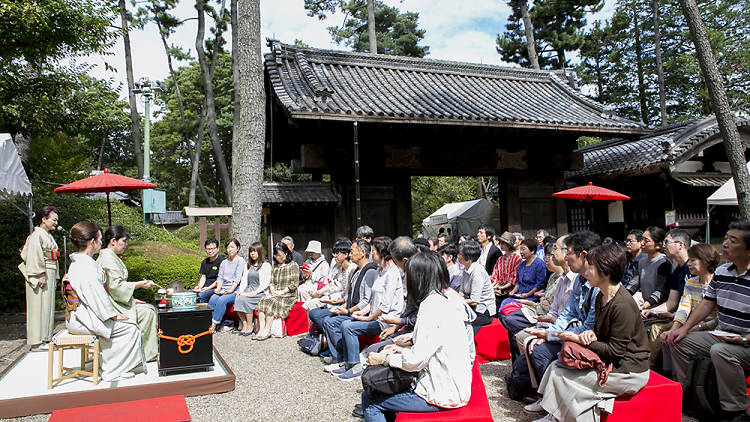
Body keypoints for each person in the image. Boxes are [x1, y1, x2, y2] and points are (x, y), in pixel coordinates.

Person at [533, 244, 650, 422]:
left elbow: (616, 351)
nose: (586, 271)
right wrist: (590, 335)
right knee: (556, 367)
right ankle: (558, 416)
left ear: (606, 272)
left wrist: (580, 339)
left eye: (592, 267)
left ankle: (560, 417)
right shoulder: (601, 296)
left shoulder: (622, 305)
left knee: (566, 379)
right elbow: (597, 331)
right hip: (613, 360)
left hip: (629, 370)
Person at [361, 252, 475, 421]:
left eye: (406, 274)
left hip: (441, 393)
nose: (404, 278)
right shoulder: (446, 297)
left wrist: (385, 359)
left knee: (370, 400)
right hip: (457, 384)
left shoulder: (430, 305)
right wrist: (406, 344)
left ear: (417, 277)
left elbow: (415, 361)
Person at [666, 221, 750, 422]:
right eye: (726, 238)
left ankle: (737, 410)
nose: (726, 244)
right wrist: (684, 329)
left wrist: (746, 339)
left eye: (733, 240)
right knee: (679, 342)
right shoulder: (722, 273)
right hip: (725, 334)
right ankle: (691, 395)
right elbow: (707, 304)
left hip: (745, 341)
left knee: (720, 351)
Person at [511, 231, 600, 404]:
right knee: (534, 343)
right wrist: (551, 332)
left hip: (588, 339)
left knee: (540, 350)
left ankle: (554, 401)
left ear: (583, 254)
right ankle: (546, 397)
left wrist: (551, 335)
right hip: (570, 331)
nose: (566, 257)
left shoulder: (595, 284)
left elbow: (588, 325)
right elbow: (568, 313)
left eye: (568, 252)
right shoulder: (580, 280)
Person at [65, 221, 146, 381]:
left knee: (126, 323)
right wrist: (112, 315)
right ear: (92, 242)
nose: (102, 242)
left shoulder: (80, 262)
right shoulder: (86, 266)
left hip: (81, 314)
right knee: (130, 327)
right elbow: (96, 297)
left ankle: (113, 364)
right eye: (100, 239)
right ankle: (113, 369)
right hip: (84, 318)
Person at [335, 237, 405, 381]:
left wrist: (368, 318)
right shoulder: (380, 270)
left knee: (348, 326)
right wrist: (363, 311)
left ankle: (355, 366)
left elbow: (385, 306)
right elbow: (373, 300)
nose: (371, 254)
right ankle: (349, 362)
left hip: (386, 320)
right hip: (376, 316)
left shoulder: (392, 273)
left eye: (374, 251)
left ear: (382, 252)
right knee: (345, 323)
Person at [500, 237, 572, 362]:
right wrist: (514, 292)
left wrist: (529, 297)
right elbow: (518, 282)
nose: (548, 258)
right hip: (538, 306)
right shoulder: (553, 276)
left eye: (555, 251)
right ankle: (520, 366)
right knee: (505, 307)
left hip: (537, 305)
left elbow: (541, 291)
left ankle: (521, 365)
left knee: (510, 320)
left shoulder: (569, 278)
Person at [97, 225, 158, 361]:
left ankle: (144, 350)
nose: (126, 244)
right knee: (148, 312)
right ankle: (145, 353)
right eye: (124, 241)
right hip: (113, 305)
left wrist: (132, 299)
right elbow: (116, 287)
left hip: (115, 300)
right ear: (113, 241)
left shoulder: (111, 256)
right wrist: (139, 284)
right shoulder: (108, 258)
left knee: (148, 308)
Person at [659, 243, 720, 373]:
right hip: (692, 326)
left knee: (679, 341)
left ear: (706, 261)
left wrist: (694, 328)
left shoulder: (718, 283)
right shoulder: (691, 282)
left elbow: (719, 319)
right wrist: (674, 329)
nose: (689, 264)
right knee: (668, 337)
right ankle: (673, 377)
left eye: (693, 260)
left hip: (711, 328)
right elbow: (684, 308)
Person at [318, 240, 378, 366]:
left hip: (364, 313)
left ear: (362, 252)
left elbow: (367, 300)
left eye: (352, 251)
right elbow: (350, 297)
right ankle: (339, 358)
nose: (350, 255)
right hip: (353, 310)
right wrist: (343, 308)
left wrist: (348, 311)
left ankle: (347, 360)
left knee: (334, 323)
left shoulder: (370, 271)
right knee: (327, 320)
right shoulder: (357, 271)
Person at [641, 229, 691, 366]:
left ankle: (649, 366)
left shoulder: (693, 268)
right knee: (642, 320)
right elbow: (671, 302)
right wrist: (652, 311)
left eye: (667, 242)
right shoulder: (677, 272)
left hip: (689, 318)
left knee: (657, 328)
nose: (664, 246)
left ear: (680, 244)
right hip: (677, 314)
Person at [18, 205, 60, 351]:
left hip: (49, 270)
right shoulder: (37, 235)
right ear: (43, 219)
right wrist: (40, 274)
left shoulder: (46, 235)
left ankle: (45, 337)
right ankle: (36, 341)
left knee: (47, 306)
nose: (56, 223)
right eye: (53, 220)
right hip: (41, 272)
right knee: (38, 306)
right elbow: (34, 254)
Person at [255, 242, 300, 340]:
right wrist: (272, 289)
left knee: (272, 303)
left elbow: (294, 284)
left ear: (286, 253)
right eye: (276, 255)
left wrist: (282, 292)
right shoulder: (275, 267)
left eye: (280, 255)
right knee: (263, 301)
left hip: (288, 295)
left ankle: (267, 330)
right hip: (276, 293)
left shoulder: (293, 265)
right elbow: (271, 281)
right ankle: (261, 330)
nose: (278, 258)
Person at [304, 238, 356, 311]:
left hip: (342, 301)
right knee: (308, 301)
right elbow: (334, 284)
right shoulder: (340, 268)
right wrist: (319, 293)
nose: (335, 256)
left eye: (337, 253)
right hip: (333, 295)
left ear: (346, 254)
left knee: (312, 306)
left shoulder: (352, 269)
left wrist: (330, 299)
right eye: (334, 254)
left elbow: (347, 294)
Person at [626, 226, 671, 309]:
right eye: (642, 239)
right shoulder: (642, 262)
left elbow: (660, 291)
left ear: (658, 245)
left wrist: (644, 306)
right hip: (647, 307)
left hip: (660, 308)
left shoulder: (663, 263)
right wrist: (623, 297)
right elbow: (634, 283)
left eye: (646, 241)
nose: (642, 243)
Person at [207, 238, 246, 332]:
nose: (230, 249)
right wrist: (218, 289)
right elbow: (220, 278)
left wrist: (231, 290)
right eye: (228, 247)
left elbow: (238, 278)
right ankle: (210, 323)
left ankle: (213, 325)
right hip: (223, 289)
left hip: (235, 290)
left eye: (232, 247)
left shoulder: (240, 261)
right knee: (212, 298)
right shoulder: (224, 262)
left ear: (238, 248)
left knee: (221, 300)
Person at [234, 242, 272, 336]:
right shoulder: (248, 265)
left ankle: (250, 326)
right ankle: (244, 324)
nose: (252, 254)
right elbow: (244, 280)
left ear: (259, 252)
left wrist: (256, 292)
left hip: (260, 291)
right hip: (249, 289)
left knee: (245, 300)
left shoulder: (265, 265)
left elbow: (266, 283)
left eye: (254, 251)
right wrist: (240, 291)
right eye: (251, 252)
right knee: (238, 299)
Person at [458, 240, 495, 334]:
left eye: (460, 254)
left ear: (468, 258)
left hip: (482, 312)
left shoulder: (477, 271)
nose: (458, 256)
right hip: (470, 308)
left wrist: (457, 301)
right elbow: (462, 291)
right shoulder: (466, 269)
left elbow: (474, 301)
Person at [501, 238, 547, 309]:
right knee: (505, 302)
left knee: (508, 305)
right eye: (520, 249)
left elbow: (539, 284)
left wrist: (527, 295)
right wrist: (513, 291)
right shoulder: (521, 264)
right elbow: (518, 282)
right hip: (520, 294)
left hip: (532, 296)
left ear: (532, 251)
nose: (521, 252)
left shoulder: (539, 264)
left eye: (523, 249)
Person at [491, 232, 522, 297]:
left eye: (503, 243)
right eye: (500, 243)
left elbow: (515, 278)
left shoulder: (517, 259)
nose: (500, 245)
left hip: (511, 290)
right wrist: (493, 285)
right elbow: (495, 274)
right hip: (499, 289)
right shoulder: (500, 259)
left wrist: (504, 286)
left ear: (509, 245)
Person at [194, 238, 225, 302]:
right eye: (208, 249)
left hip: (215, 288)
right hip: (205, 288)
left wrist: (208, 288)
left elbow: (219, 279)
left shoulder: (223, 262)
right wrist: (199, 286)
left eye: (212, 249)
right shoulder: (205, 262)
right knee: (188, 294)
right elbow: (203, 277)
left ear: (218, 249)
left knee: (200, 296)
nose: (210, 251)